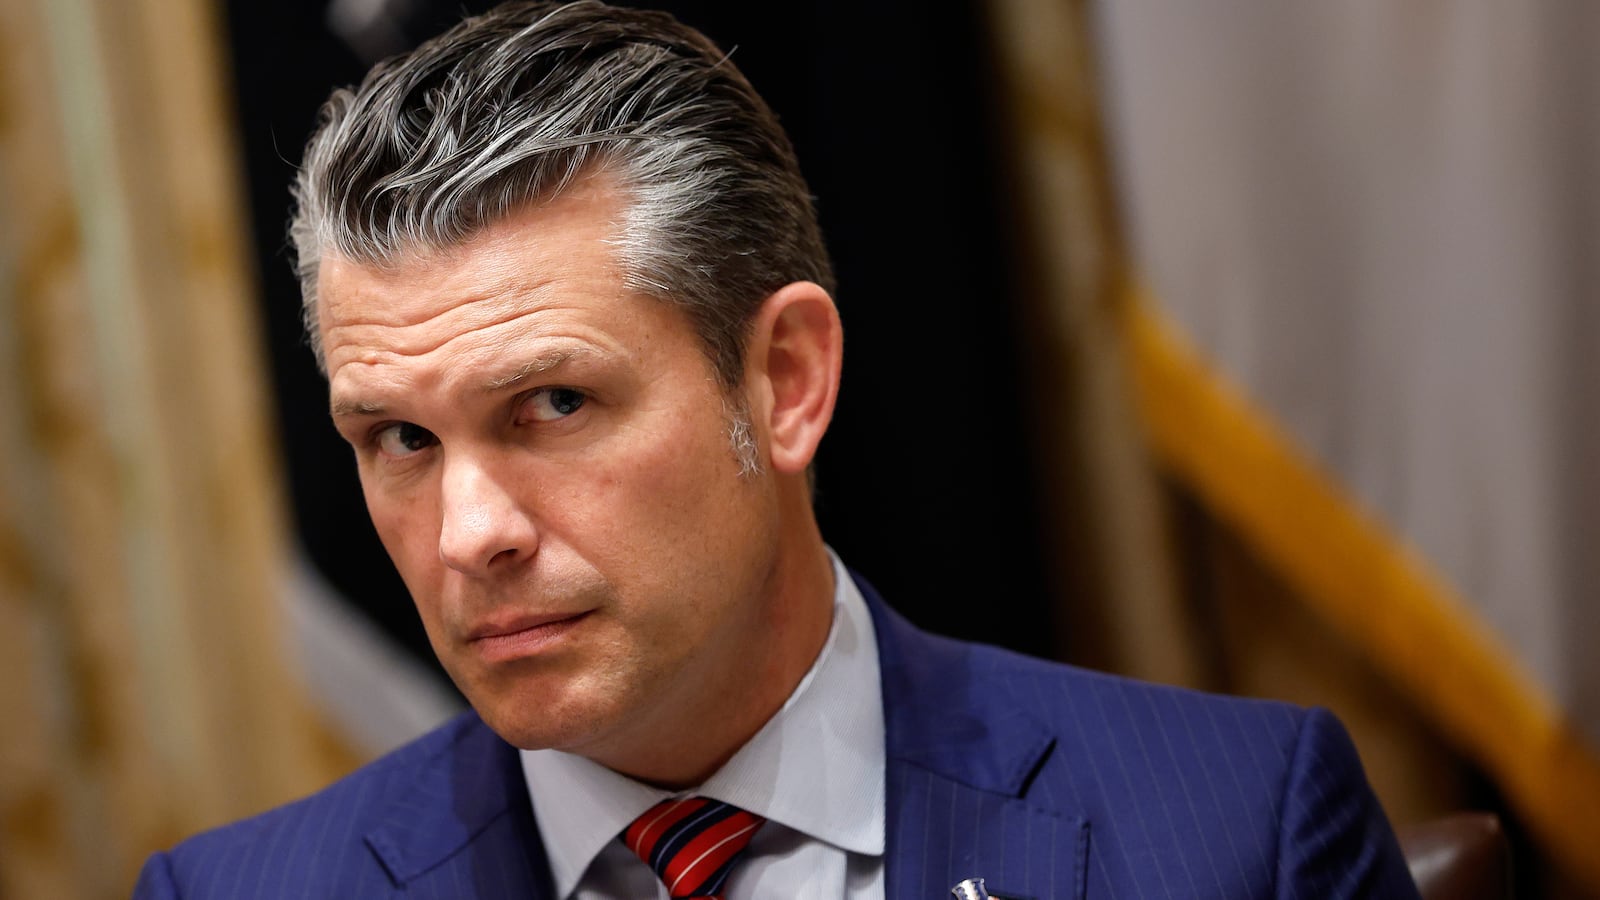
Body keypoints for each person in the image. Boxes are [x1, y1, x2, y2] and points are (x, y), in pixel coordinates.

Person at [135, 2, 1422, 897]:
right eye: (400, 437)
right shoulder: (227, 893)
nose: (469, 532)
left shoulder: (1233, 834)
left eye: (555, 406)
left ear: (785, 385)